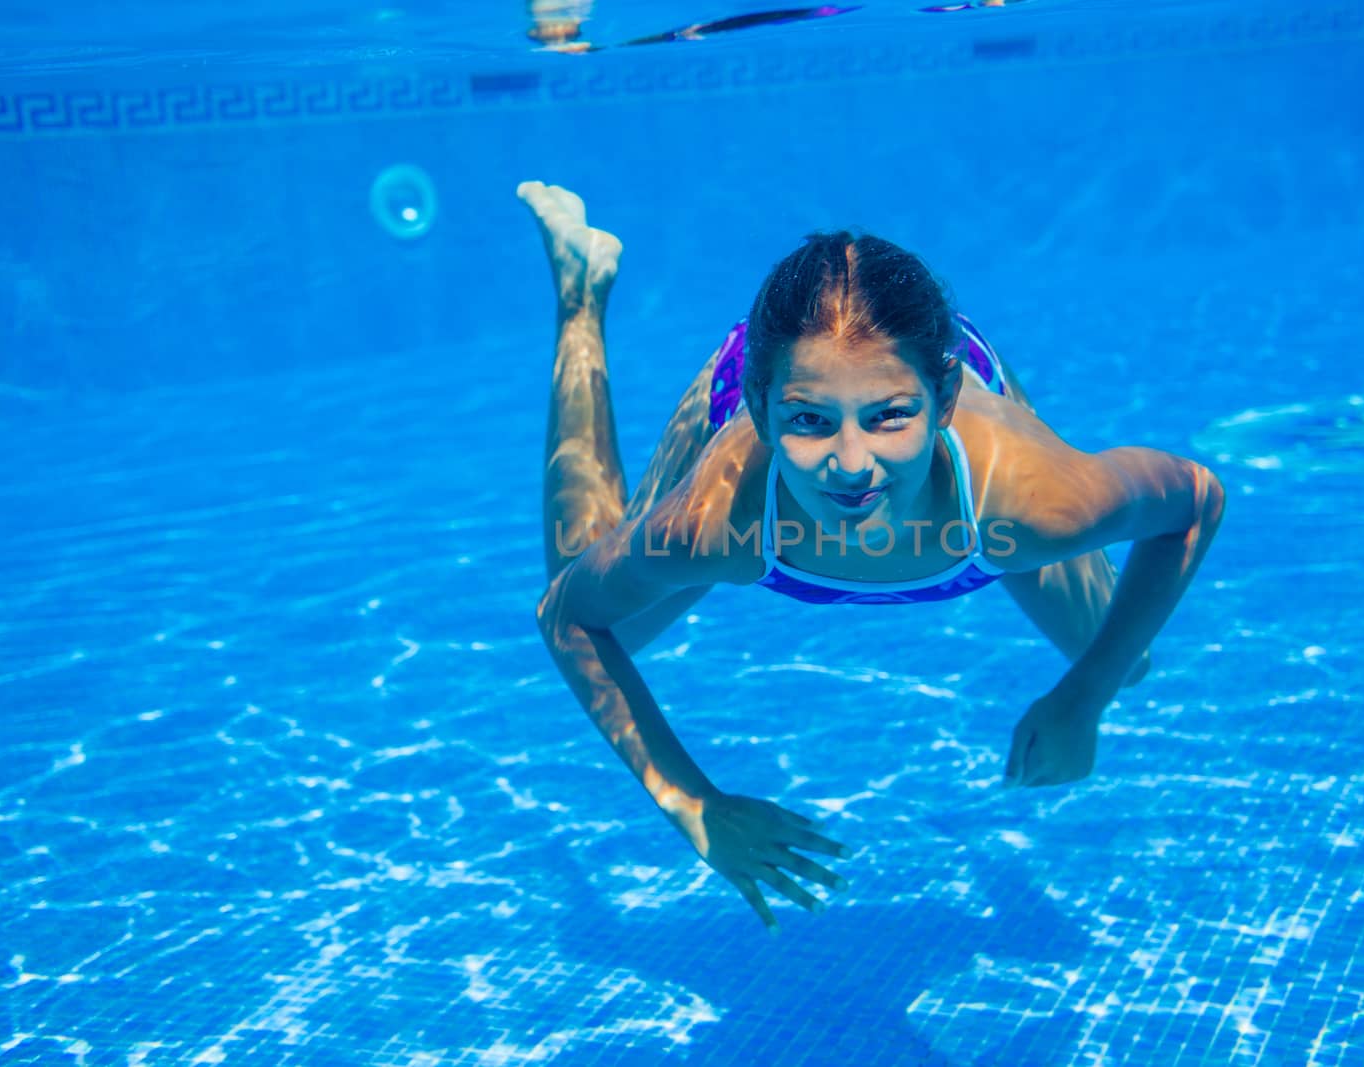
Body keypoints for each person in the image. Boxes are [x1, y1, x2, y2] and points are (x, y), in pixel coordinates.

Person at [522, 181, 1225, 931]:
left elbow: (1195, 499)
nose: (852, 465)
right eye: (811, 423)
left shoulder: (1033, 498)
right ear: (764, 413)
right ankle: (580, 293)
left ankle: (910, 422)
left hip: (946, 424)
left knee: (1121, 656)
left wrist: (1084, 697)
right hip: (779, 375)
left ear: (944, 397)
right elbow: (564, 616)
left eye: (890, 418)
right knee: (592, 594)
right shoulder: (719, 522)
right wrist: (697, 807)